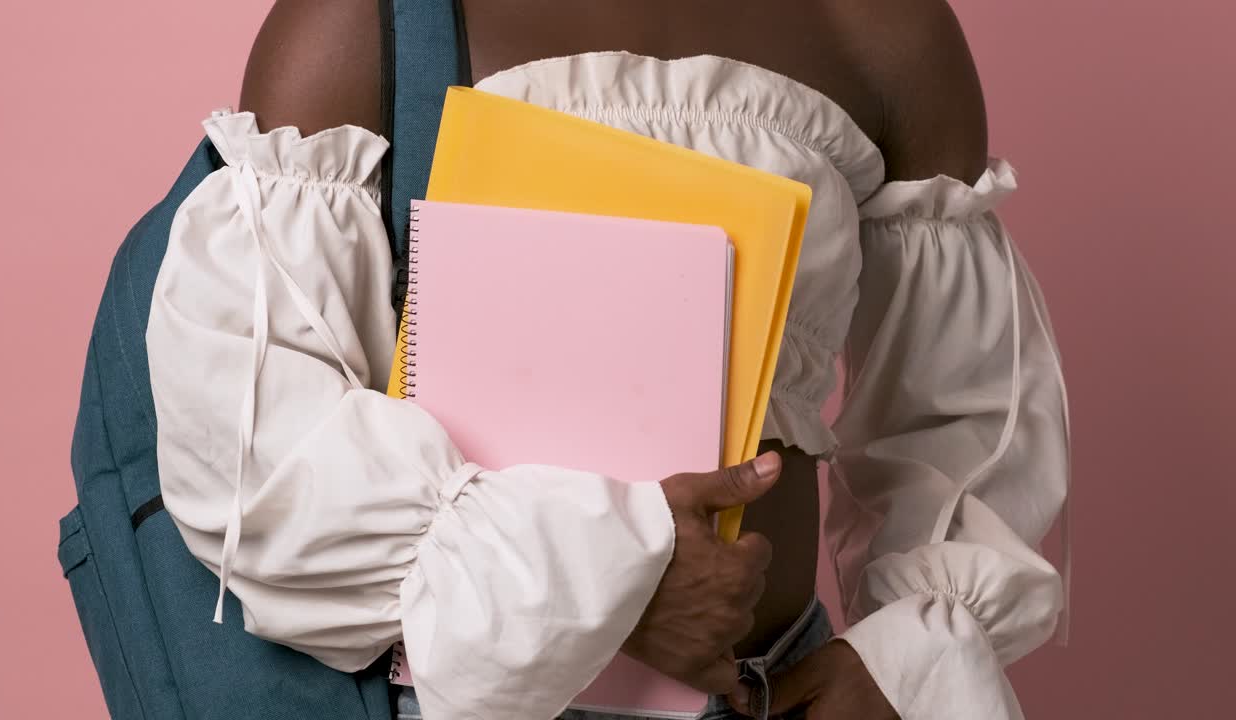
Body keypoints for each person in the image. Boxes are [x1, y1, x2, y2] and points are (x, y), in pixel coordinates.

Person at [144, 1, 1071, 718]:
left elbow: (970, 419)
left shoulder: (882, 33)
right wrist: (614, 588)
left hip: (774, 694)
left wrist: (902, 663)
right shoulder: (368, 26)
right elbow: (250, 446)